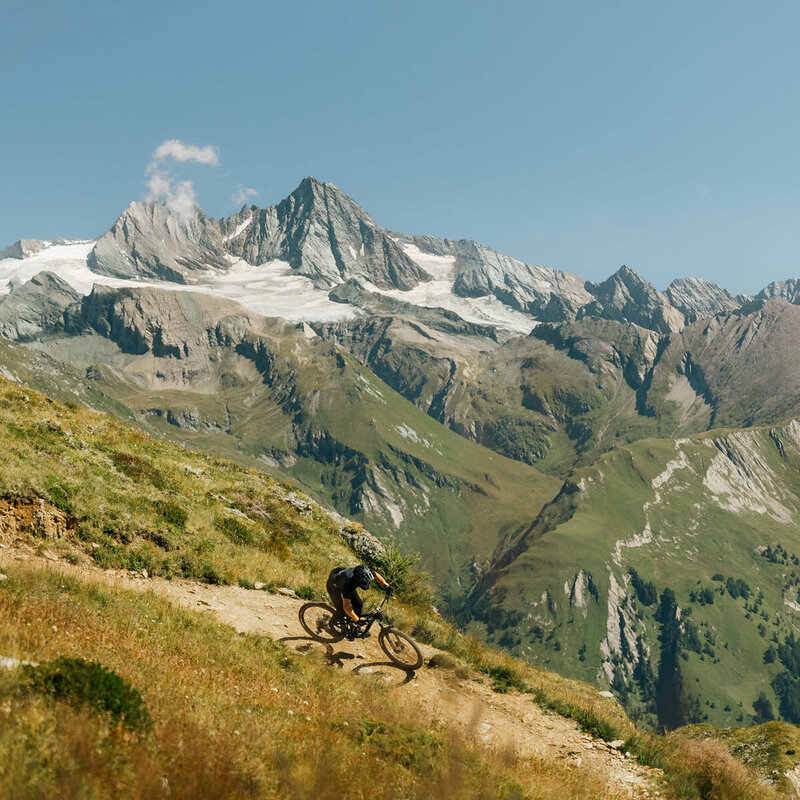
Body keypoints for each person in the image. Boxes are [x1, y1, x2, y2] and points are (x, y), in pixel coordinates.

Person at [326, 564, 391, 631]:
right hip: (333, 587)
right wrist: (357, 620)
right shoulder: (349, 584)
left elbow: (376, 574)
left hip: (344, 581)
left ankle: (353, 624)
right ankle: (330, 624)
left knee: (359, 604)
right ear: (358, 579)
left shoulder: (364, 572)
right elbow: (346, 606)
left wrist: (386, 585)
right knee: (341, 610)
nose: (366, 583)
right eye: (364, 582)